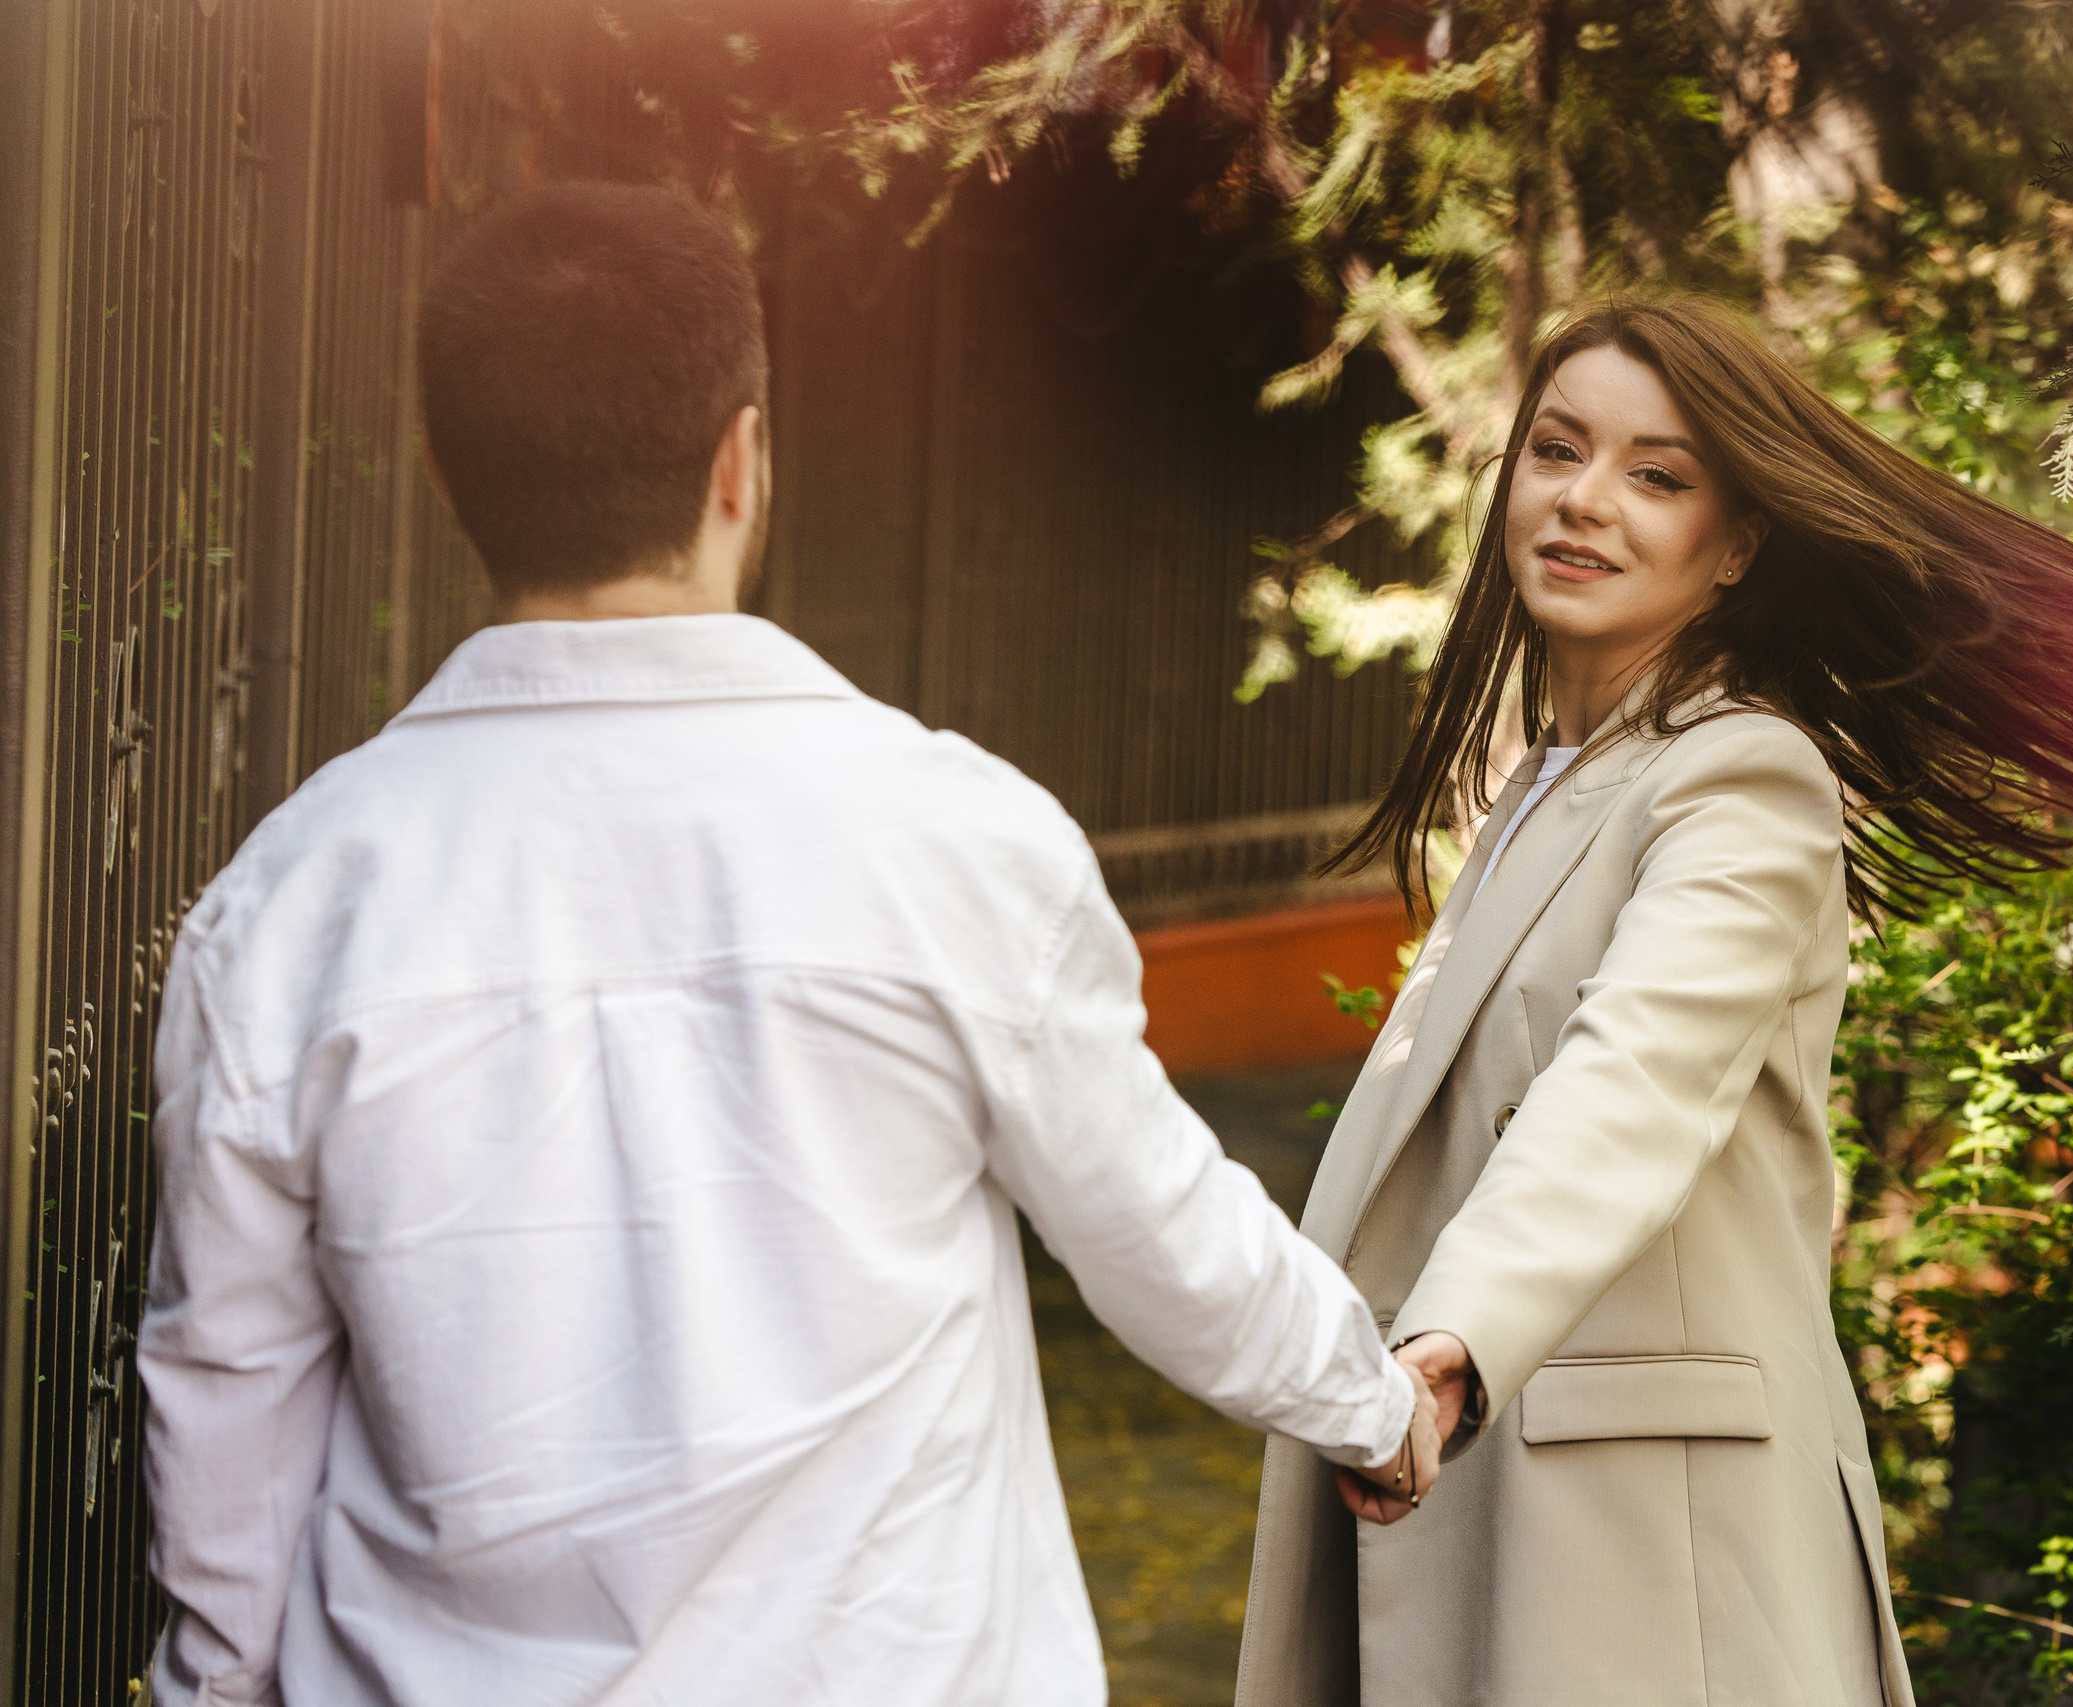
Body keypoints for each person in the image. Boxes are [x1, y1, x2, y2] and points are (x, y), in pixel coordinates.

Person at [136, 180, 1439, 1707]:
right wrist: (1372, 1405)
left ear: (445, 467)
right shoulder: (952, 839)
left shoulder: (288, 909)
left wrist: (217, 1686)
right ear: (743, 461)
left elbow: (227, 1396)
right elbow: (1154, 1232)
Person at [1236, 296, 2073, 1706]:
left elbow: (1633, 1078)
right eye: (1558, 451)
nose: (1584, 502)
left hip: (1641, 1540)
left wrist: (1451, 1341)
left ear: (1738, 544)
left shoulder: (1740, 777)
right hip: (1501, 1500)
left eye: (1657, 475)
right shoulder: (1550, 783)